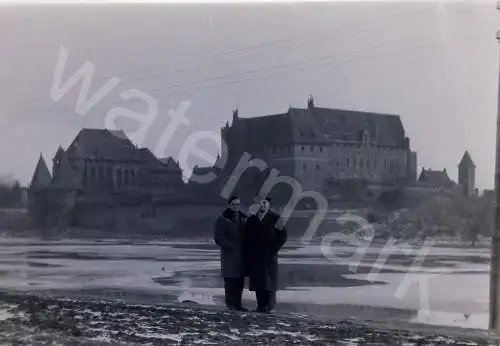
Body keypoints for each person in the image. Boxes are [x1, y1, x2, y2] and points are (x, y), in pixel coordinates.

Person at [243, 196, 287, 313]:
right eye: (260, 203)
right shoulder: (252, 220)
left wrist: (273, 250)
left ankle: (271, 307)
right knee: (258, 282)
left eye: (264, 203)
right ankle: (260, 306)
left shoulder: (276, 218)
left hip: (269, 255)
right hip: (255, 256)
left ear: (268, 204)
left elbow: (282, 237)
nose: (262, 205)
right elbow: (246, 237)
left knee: (270, 282)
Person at [214, 196, 248, 311]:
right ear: (229, 205)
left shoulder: (244, 218)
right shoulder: (223, 219)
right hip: (229, 255)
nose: (236, 207)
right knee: (230, 281)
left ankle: (238, 304)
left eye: (238, 204)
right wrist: (230, 245)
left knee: (240, 281)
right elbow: (218, 238)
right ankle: (230, 304)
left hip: (242, 255)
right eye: (234, 204)